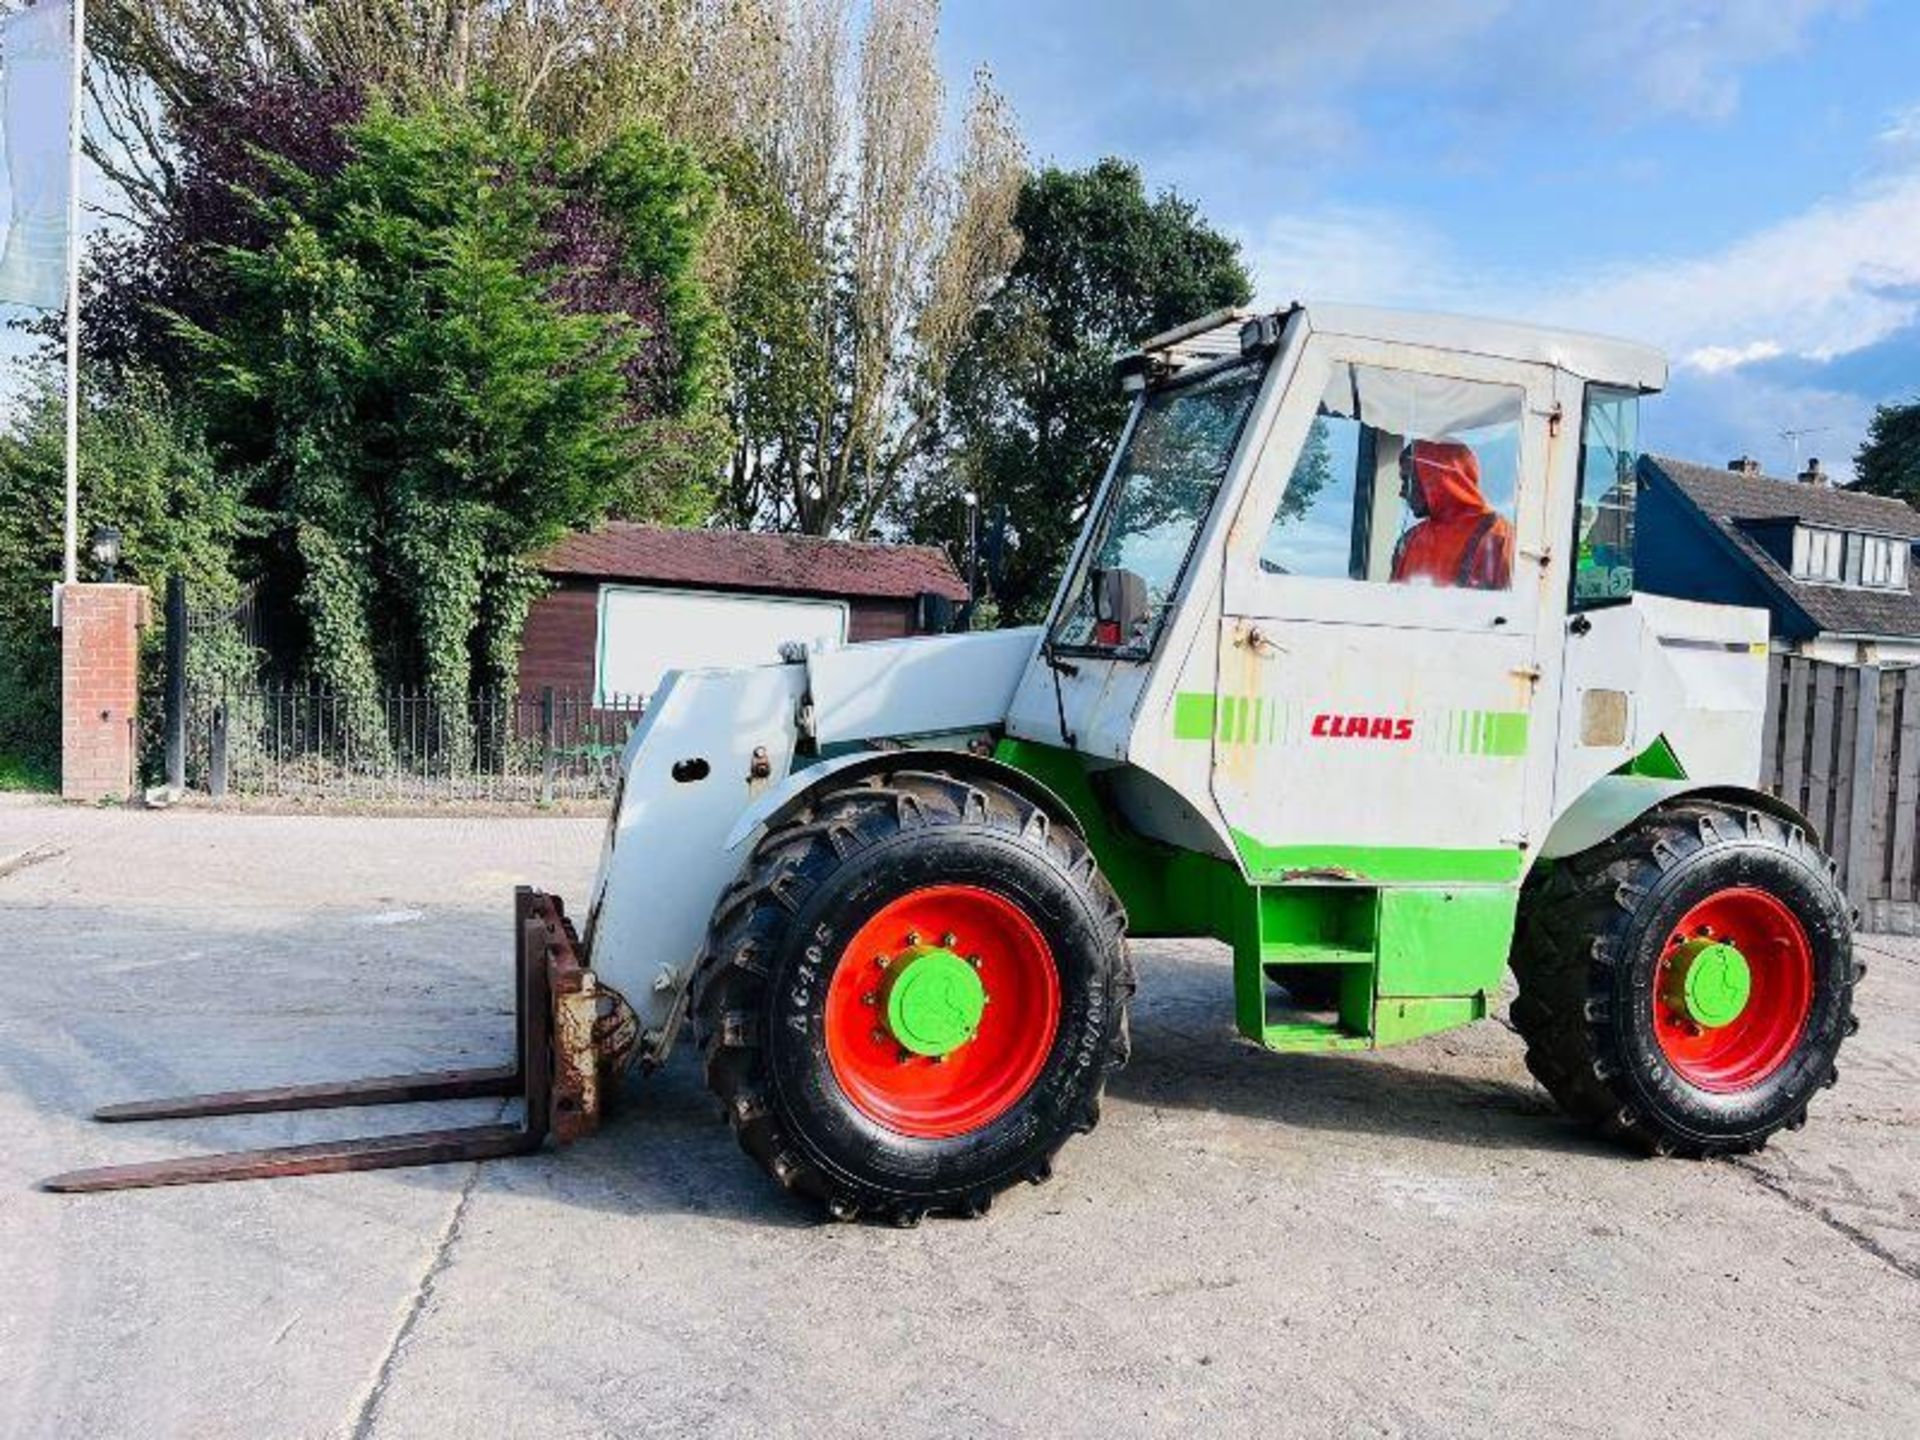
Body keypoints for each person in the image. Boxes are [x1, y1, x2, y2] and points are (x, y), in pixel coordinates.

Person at [1390, 438, 1513, 590]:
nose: (1402, 493)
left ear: (1438, 477)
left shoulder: (1497, 536)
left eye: (1407, 481)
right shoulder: (1409, 540)